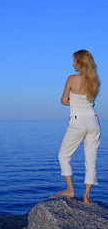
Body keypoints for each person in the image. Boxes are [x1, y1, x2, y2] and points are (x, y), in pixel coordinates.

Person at [58, 49, 101, 204]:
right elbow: (90, 102)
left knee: (63, 155)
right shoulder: (95, 80)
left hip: (78, 121)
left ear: (80, 63)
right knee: (91, 158)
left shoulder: (71, 79)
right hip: (93, 120)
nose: (73, 63)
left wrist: (73, 101)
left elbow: (64, 101)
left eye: (75, 61)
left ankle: (70, 190)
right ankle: (87, 196)